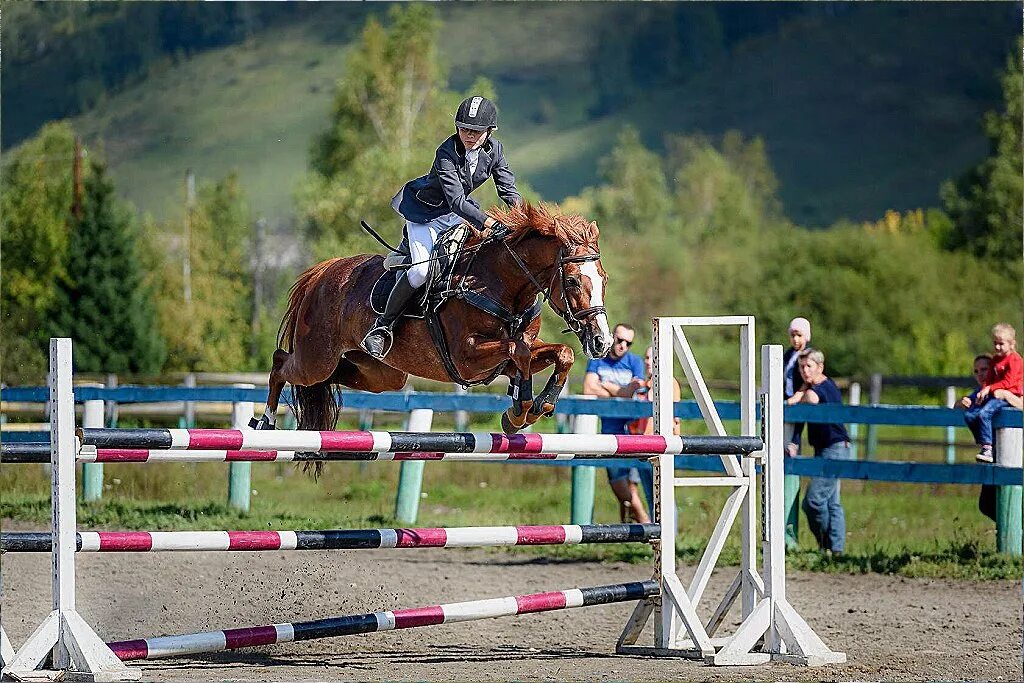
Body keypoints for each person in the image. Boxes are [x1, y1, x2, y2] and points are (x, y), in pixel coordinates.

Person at [361, 96, 522, 359]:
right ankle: (382, 327)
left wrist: (521, 219)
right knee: (422, 271)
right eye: (464, 128)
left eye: (476, 130)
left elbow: (508, 189)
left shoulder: (496, 151)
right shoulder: (446, 152)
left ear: (489, 131)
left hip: (457, 213)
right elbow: (457, 201)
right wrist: (490, 222)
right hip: (426, 214)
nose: (468, 135)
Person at [582, 323, 648, 523]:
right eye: (619, 340)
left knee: (631, 485)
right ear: (612, 337)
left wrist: (605, 385)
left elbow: (632, 393)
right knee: (618, 482)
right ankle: (645, 523)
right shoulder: (598, 360)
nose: (623, 346)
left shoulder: (634, 362)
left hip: (632, 430)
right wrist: (620, 391)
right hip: (609, 430)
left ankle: (632, 532)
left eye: (628, 343)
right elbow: (588, 389)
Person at [789, 347, 851, 555]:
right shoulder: (810, 386)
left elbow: (813, 400)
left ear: (820, 367)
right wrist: (795, 441)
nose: (804, 370)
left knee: (813, 502)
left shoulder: (826, 386)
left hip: (835, 448)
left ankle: (827, 545)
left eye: (809, 366)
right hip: (823, 449)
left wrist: (797, 397)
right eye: (801, 366)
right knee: (832, 503)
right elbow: (801, 420)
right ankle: (836, 552)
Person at [624, 345, 683, 520]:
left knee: (664, 497)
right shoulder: (644, 385)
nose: (648, 362)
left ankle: (669, 540)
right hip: (643, 447)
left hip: (660, 447)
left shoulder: (668, 383)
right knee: (651, 497)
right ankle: (658, 538)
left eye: (652, 358)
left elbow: (672, 417)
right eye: (647, 358)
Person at [964, 323, 1023, 463]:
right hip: (996, 393)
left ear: (1012, 344)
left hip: (1009, 395)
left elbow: (1009, 383)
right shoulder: (996, 360)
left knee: (984, 413)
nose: (997, 347)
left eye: (1001, 344)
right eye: (995, 343)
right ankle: (985, 443)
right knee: (970, 415)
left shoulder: (1015, 360)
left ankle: (988, 447)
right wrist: (983, 390)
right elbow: (989, 380)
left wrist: (989, 389)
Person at [959, 355, 998, 521]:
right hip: (992, 456)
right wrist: (962, 402)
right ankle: (1013, 538)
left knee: (1000, 501)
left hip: (1011, 452)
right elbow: (963, 403)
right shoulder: (980, 393)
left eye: (984, 369)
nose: (980, 374)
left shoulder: (1001, 391)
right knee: (988, 504)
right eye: (976, 371)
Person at [783, 317, 810, 457]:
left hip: (799, 394)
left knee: (799, 419)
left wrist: (800, 393)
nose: (796, 339)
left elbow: (809, 378)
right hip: (787, 394)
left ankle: (795, 442)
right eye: (793, 336)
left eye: (799, 336)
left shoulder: (808, 355)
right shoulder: (788, 354)